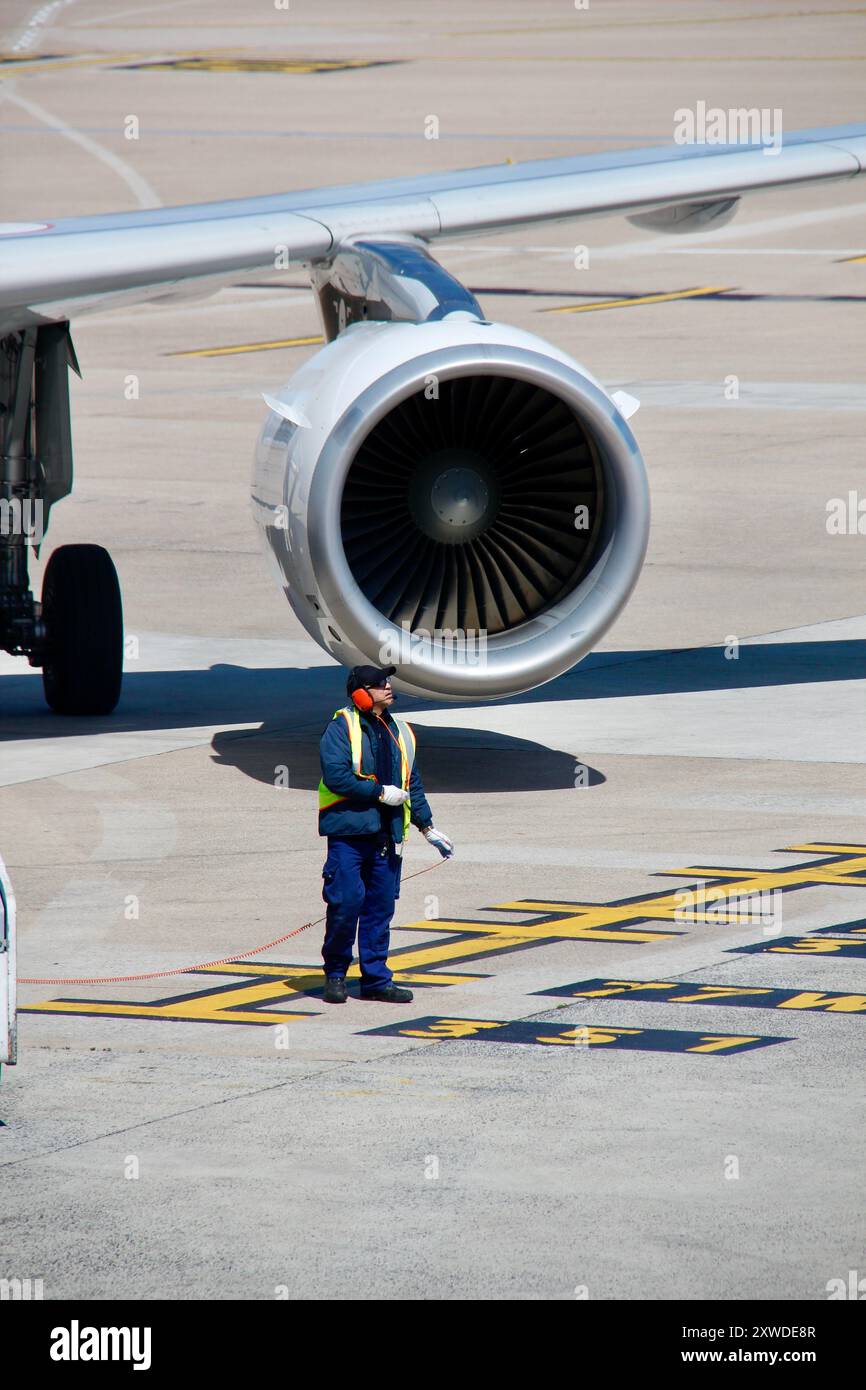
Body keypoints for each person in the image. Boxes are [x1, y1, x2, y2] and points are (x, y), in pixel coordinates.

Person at [317, 663, 454, 1003]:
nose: (389, 688)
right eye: (380, 685)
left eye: (388, 682)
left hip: (387, 837)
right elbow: (336, 776)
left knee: (379, 909)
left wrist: (428, 826)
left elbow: (413, 783)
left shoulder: (401, 731)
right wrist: (378, 793)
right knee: (346, 904)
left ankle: (376, 980)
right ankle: (336, 974)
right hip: (350, 834)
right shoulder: (341, 728)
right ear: (361, 693)